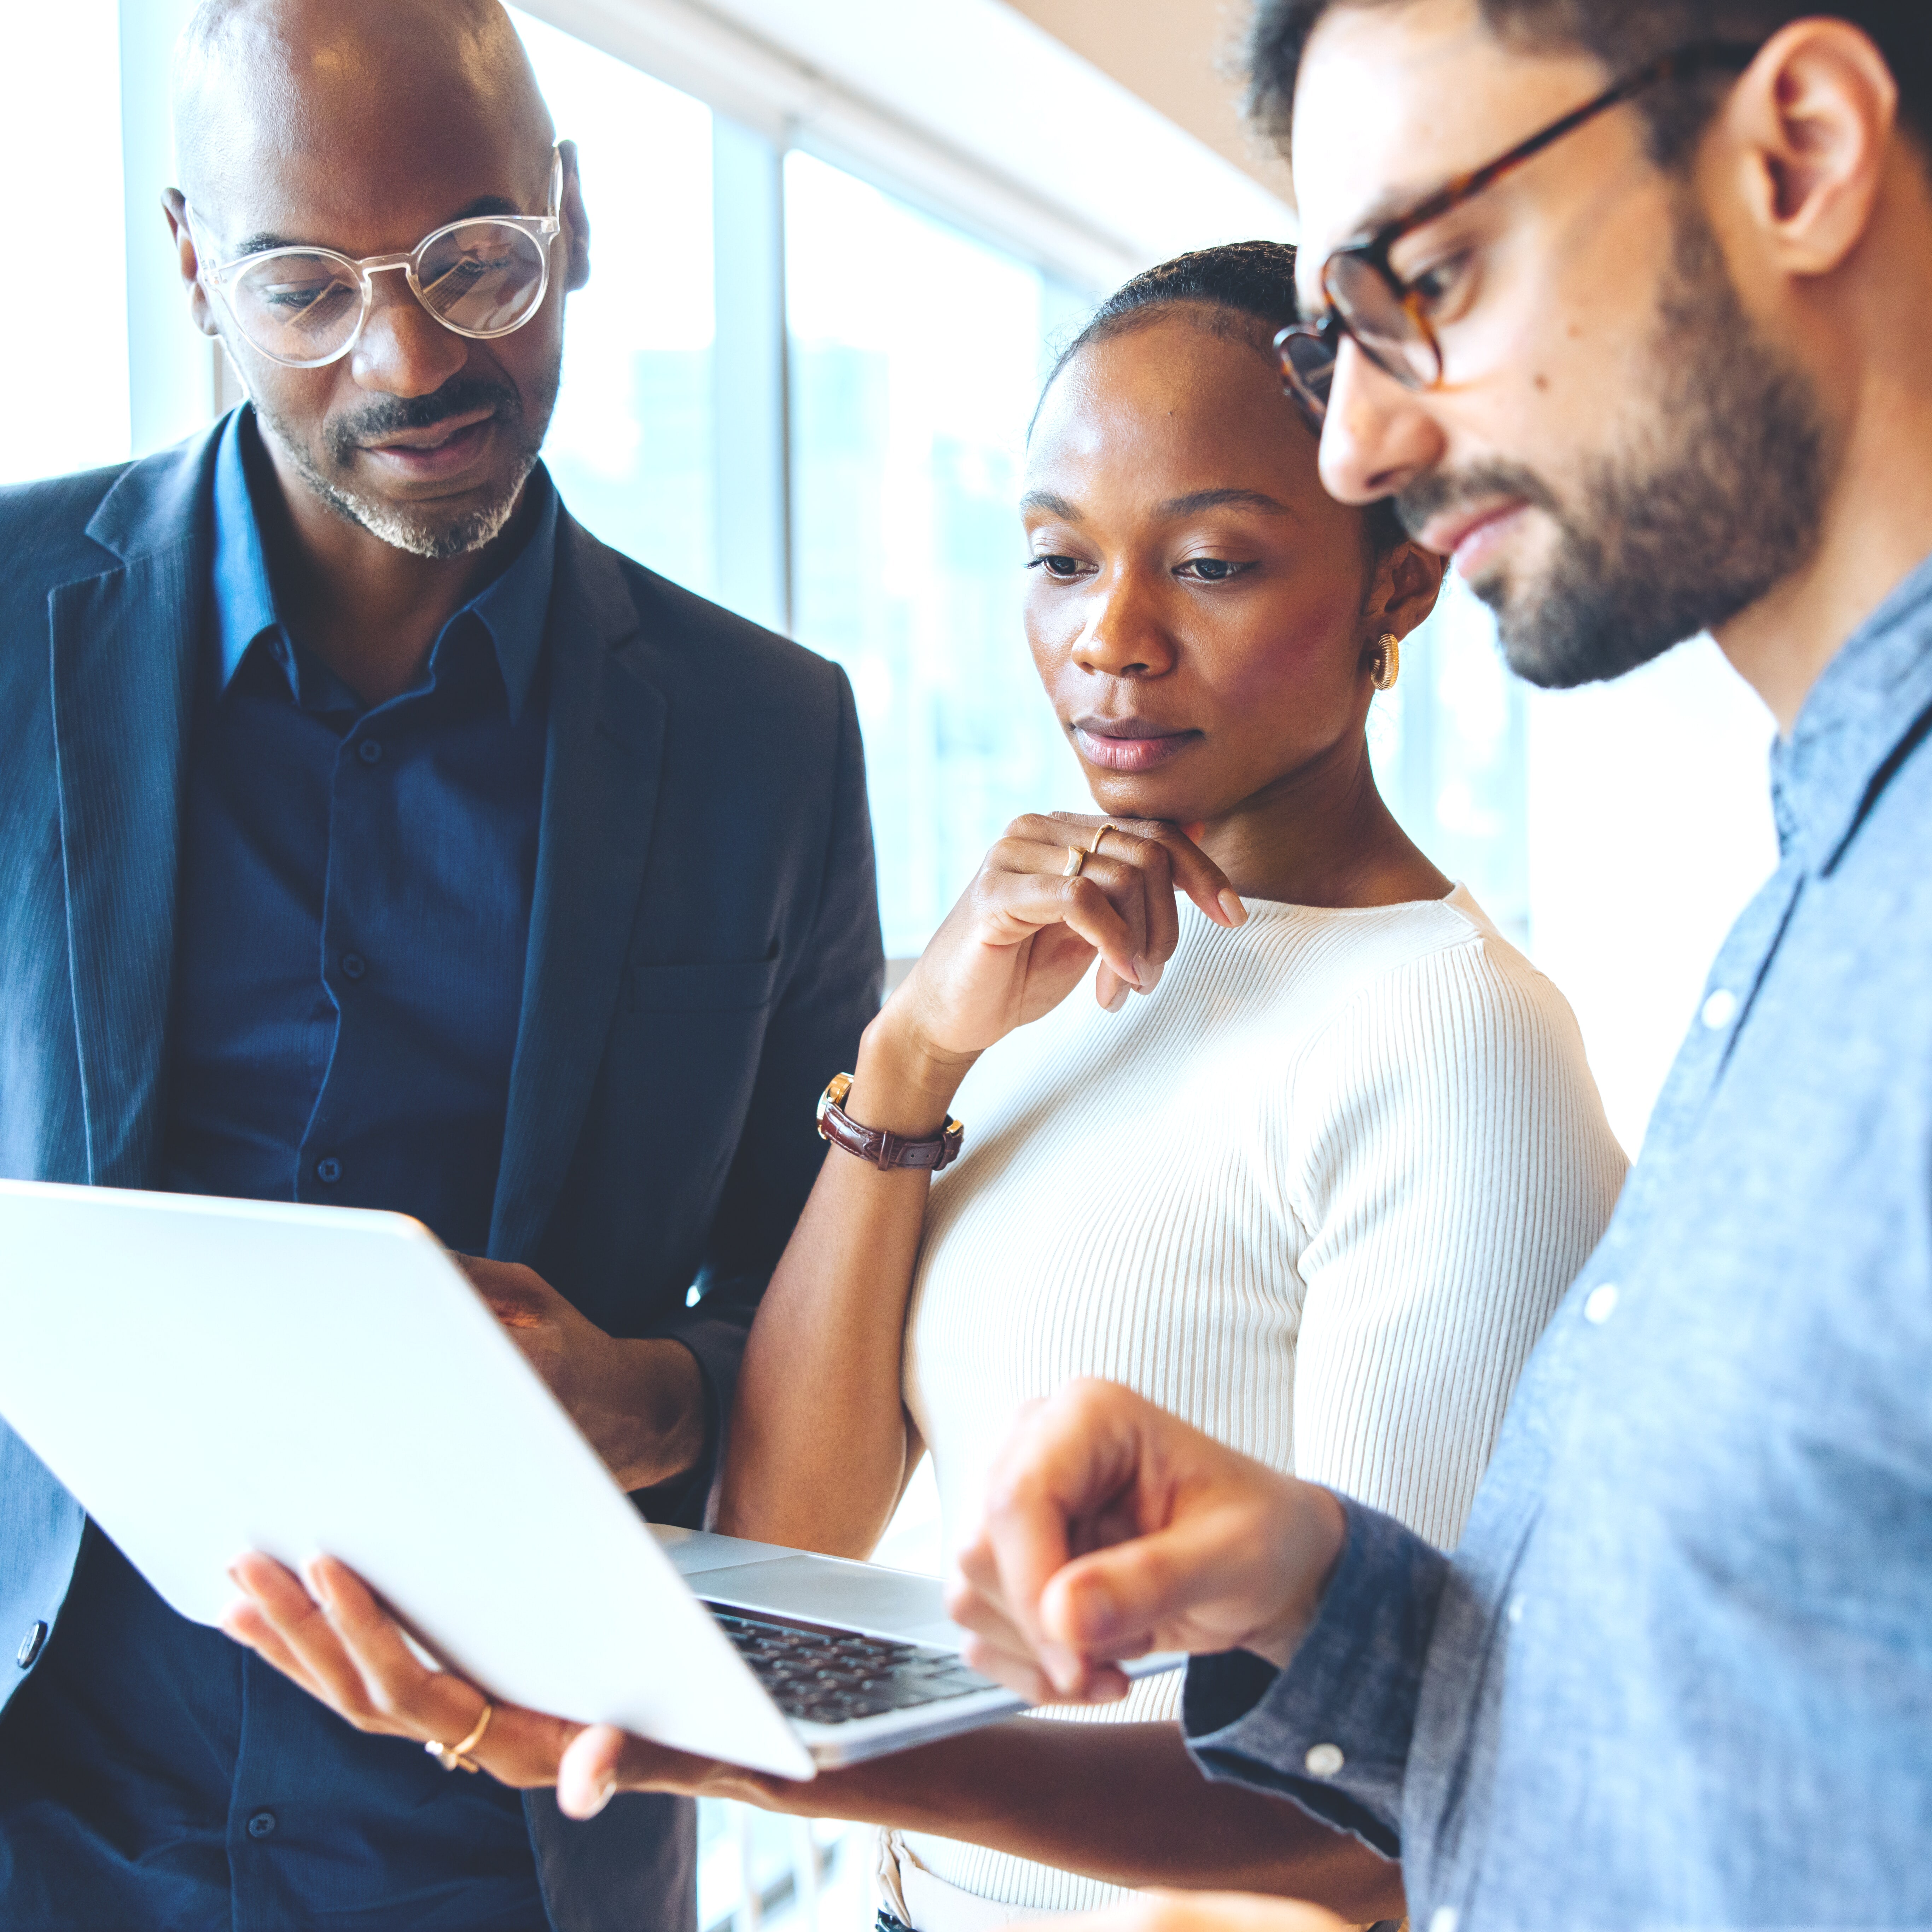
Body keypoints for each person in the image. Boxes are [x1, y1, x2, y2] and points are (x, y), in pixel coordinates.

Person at [220, 245, 1625, 1929]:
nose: (1110, 636)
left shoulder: (1449, 1037)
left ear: (1396, 584)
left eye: (1212, 561)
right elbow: (792, 1526)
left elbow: (1387, 1799)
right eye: (1056, 556)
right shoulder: (1048, 988)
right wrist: (912, 1054)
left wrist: (733, 1748)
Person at [928, 4, 1932, 1931]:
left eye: (1434, 279)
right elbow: (1739, 1766)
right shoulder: (1810, 902)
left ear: (1793, 151)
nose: (1363, 442)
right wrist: (1323, 1595)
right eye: (1340, 338)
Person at [0, 1, 878, 1928]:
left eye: (474, 262)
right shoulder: (5, 625)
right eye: (305, 285)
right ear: (189, 262)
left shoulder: (769, 739)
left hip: (511, 1843)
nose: (409, 358)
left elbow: (831, 1339)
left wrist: (646, 1396)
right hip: (44, 1812)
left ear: (570, 216)